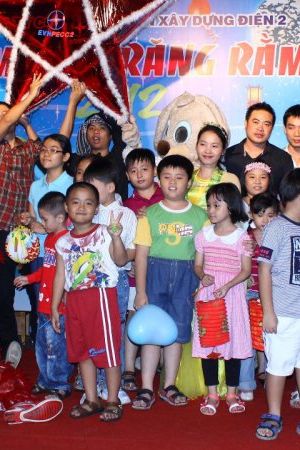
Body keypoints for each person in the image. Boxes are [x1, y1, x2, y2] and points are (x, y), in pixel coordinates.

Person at [0, 73, 57, 365]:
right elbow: (6, 122)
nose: (1, 120)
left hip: (27, 231)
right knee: (3, 294)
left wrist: (26, 123)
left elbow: (47, 150)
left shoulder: (26, 148)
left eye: (4, 115)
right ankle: (8, 343)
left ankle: (43, 343)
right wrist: (30, 94)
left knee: (40, 287)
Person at [254, 168, 300, 444]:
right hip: (283, 315)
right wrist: (269, 312)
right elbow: (264, 270)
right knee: (278, 367)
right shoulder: (275, 228)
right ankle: (273, 414)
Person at [132, 155, 208, 409]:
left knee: (177, 331)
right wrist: (140, 291)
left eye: (179, 177)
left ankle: (169, 385)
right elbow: (141, 255)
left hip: (186, 279)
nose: (172, 182)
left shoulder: (200, 217)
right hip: (155, 276)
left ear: (189, 182)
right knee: (152, 332)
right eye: (166, 177)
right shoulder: (149, 215)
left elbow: (206, 253)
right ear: (159, 180)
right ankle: (146, 387)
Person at [51, 183, 129, 422]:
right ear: (66, 207)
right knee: (83, 352)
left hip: (101, 296)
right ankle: (92, 399)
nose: (81, 207)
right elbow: (60, 275)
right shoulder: (62, 242)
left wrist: (116, 237)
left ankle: (113, 400)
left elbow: (121, 260)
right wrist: (55, 306)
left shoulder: (105, 232)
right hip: (75, 300)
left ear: (96, 209)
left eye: (88, 203)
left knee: (108, 352)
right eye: (75, 202)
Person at [192, 183, 252, 416]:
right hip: (209, 295)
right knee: (209, 343)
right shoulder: (203, 235)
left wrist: (227, 285)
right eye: (209, 205)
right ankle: (212, 394)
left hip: (232, 295)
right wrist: (203, 276)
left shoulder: (241, 237)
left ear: (231, 206)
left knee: (232, 344)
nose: (211, 210)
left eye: (217, 205)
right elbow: (198, 265)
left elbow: (246, 270)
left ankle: (232, 394)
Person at [85, 157, 138, 404]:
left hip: (117, 280)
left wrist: (122, 254)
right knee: (92, 330)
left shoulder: (126, 214)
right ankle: (93, 384)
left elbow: (131, 251)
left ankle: (112, 385)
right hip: (89, 280)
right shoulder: (88, 212)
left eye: (93, 187)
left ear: (110, 187)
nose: (89, 193)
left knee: (114, 330)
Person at [15, 192, 71, 398]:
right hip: (43, 304)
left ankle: (60, 383)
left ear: (60, 218)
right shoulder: (49, 239)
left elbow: (67, 275)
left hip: (58, 308)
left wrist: (63, 299)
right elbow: (46, 269)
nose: (43, 224)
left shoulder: (66, 241)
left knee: (56, 346)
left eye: (45, 219)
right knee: (42, 346)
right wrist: (28, 279)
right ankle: (45, 379)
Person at [121, 148, 164, 390]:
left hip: (163, 271)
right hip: (135, 273)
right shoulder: (126, 206)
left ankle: (160, 366)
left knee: (161, 317)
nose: (139, 175)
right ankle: (128, 367)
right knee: (133, 316)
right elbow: (125, 241)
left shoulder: (166, 198)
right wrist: (130, 264)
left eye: (145, 169)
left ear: (155, 171)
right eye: (134, 171)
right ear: (127, 175)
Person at [241, 192, 279, 401]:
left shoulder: (281, 236)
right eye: (260, 215)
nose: (265, 220)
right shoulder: (245, 237)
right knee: (247, 336)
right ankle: (246, 383)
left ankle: (270, 374)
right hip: (250, 293)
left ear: (278, 215)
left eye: (270, 215)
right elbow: (237, 262)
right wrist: (244, 275)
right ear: (251, 215)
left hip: (273, 295)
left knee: (271, 335)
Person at [74, 107, 141, 200]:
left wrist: (105, 107)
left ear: (110, 136)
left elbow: (119, 132)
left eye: (102, 127)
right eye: (91, 128)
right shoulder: (79, 162)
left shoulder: (120, 158)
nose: (96, 131)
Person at [224, 102, 293, 193]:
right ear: (246, 123)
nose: (260, 128)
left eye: (266, 124)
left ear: (272, 128)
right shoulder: (227, 156)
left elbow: (288, 196)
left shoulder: (283, 158)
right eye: (256, 122)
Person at [187, 124, 240, 209]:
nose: (208, 150)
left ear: (223, 150)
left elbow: (234, 213)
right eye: (203, 144)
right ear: (196, 146)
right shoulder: (187, 177)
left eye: (214, 146)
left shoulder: (230, 180)